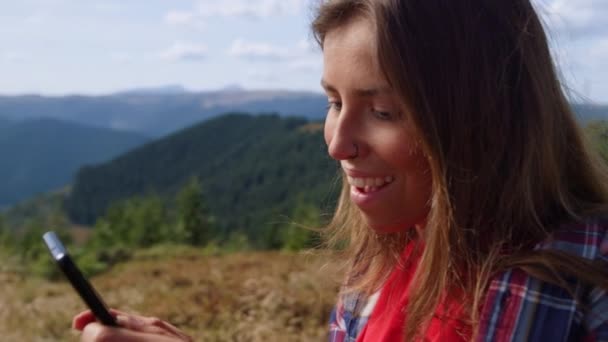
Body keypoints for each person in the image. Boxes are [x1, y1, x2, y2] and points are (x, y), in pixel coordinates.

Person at [73, 0, 608, 341]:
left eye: (382, 111)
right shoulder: (379, 269)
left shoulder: (583, 283)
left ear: (484, 120)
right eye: (333, 102)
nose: (337, 143)